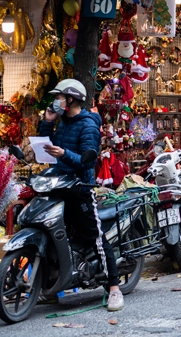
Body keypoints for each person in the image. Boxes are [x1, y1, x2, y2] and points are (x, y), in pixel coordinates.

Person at [39, 79, 123, 312]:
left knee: (94, 237)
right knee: (53, 236)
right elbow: (47, 148)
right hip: (59, 185)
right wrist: (47, 123)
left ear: (71, 99)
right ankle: (50, 287)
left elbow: (87, 160)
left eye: (59, 98)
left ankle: (114, 288)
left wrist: (64, 154)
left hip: (80, 189)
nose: (56, 102)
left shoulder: (87, 124)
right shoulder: (63, 122)